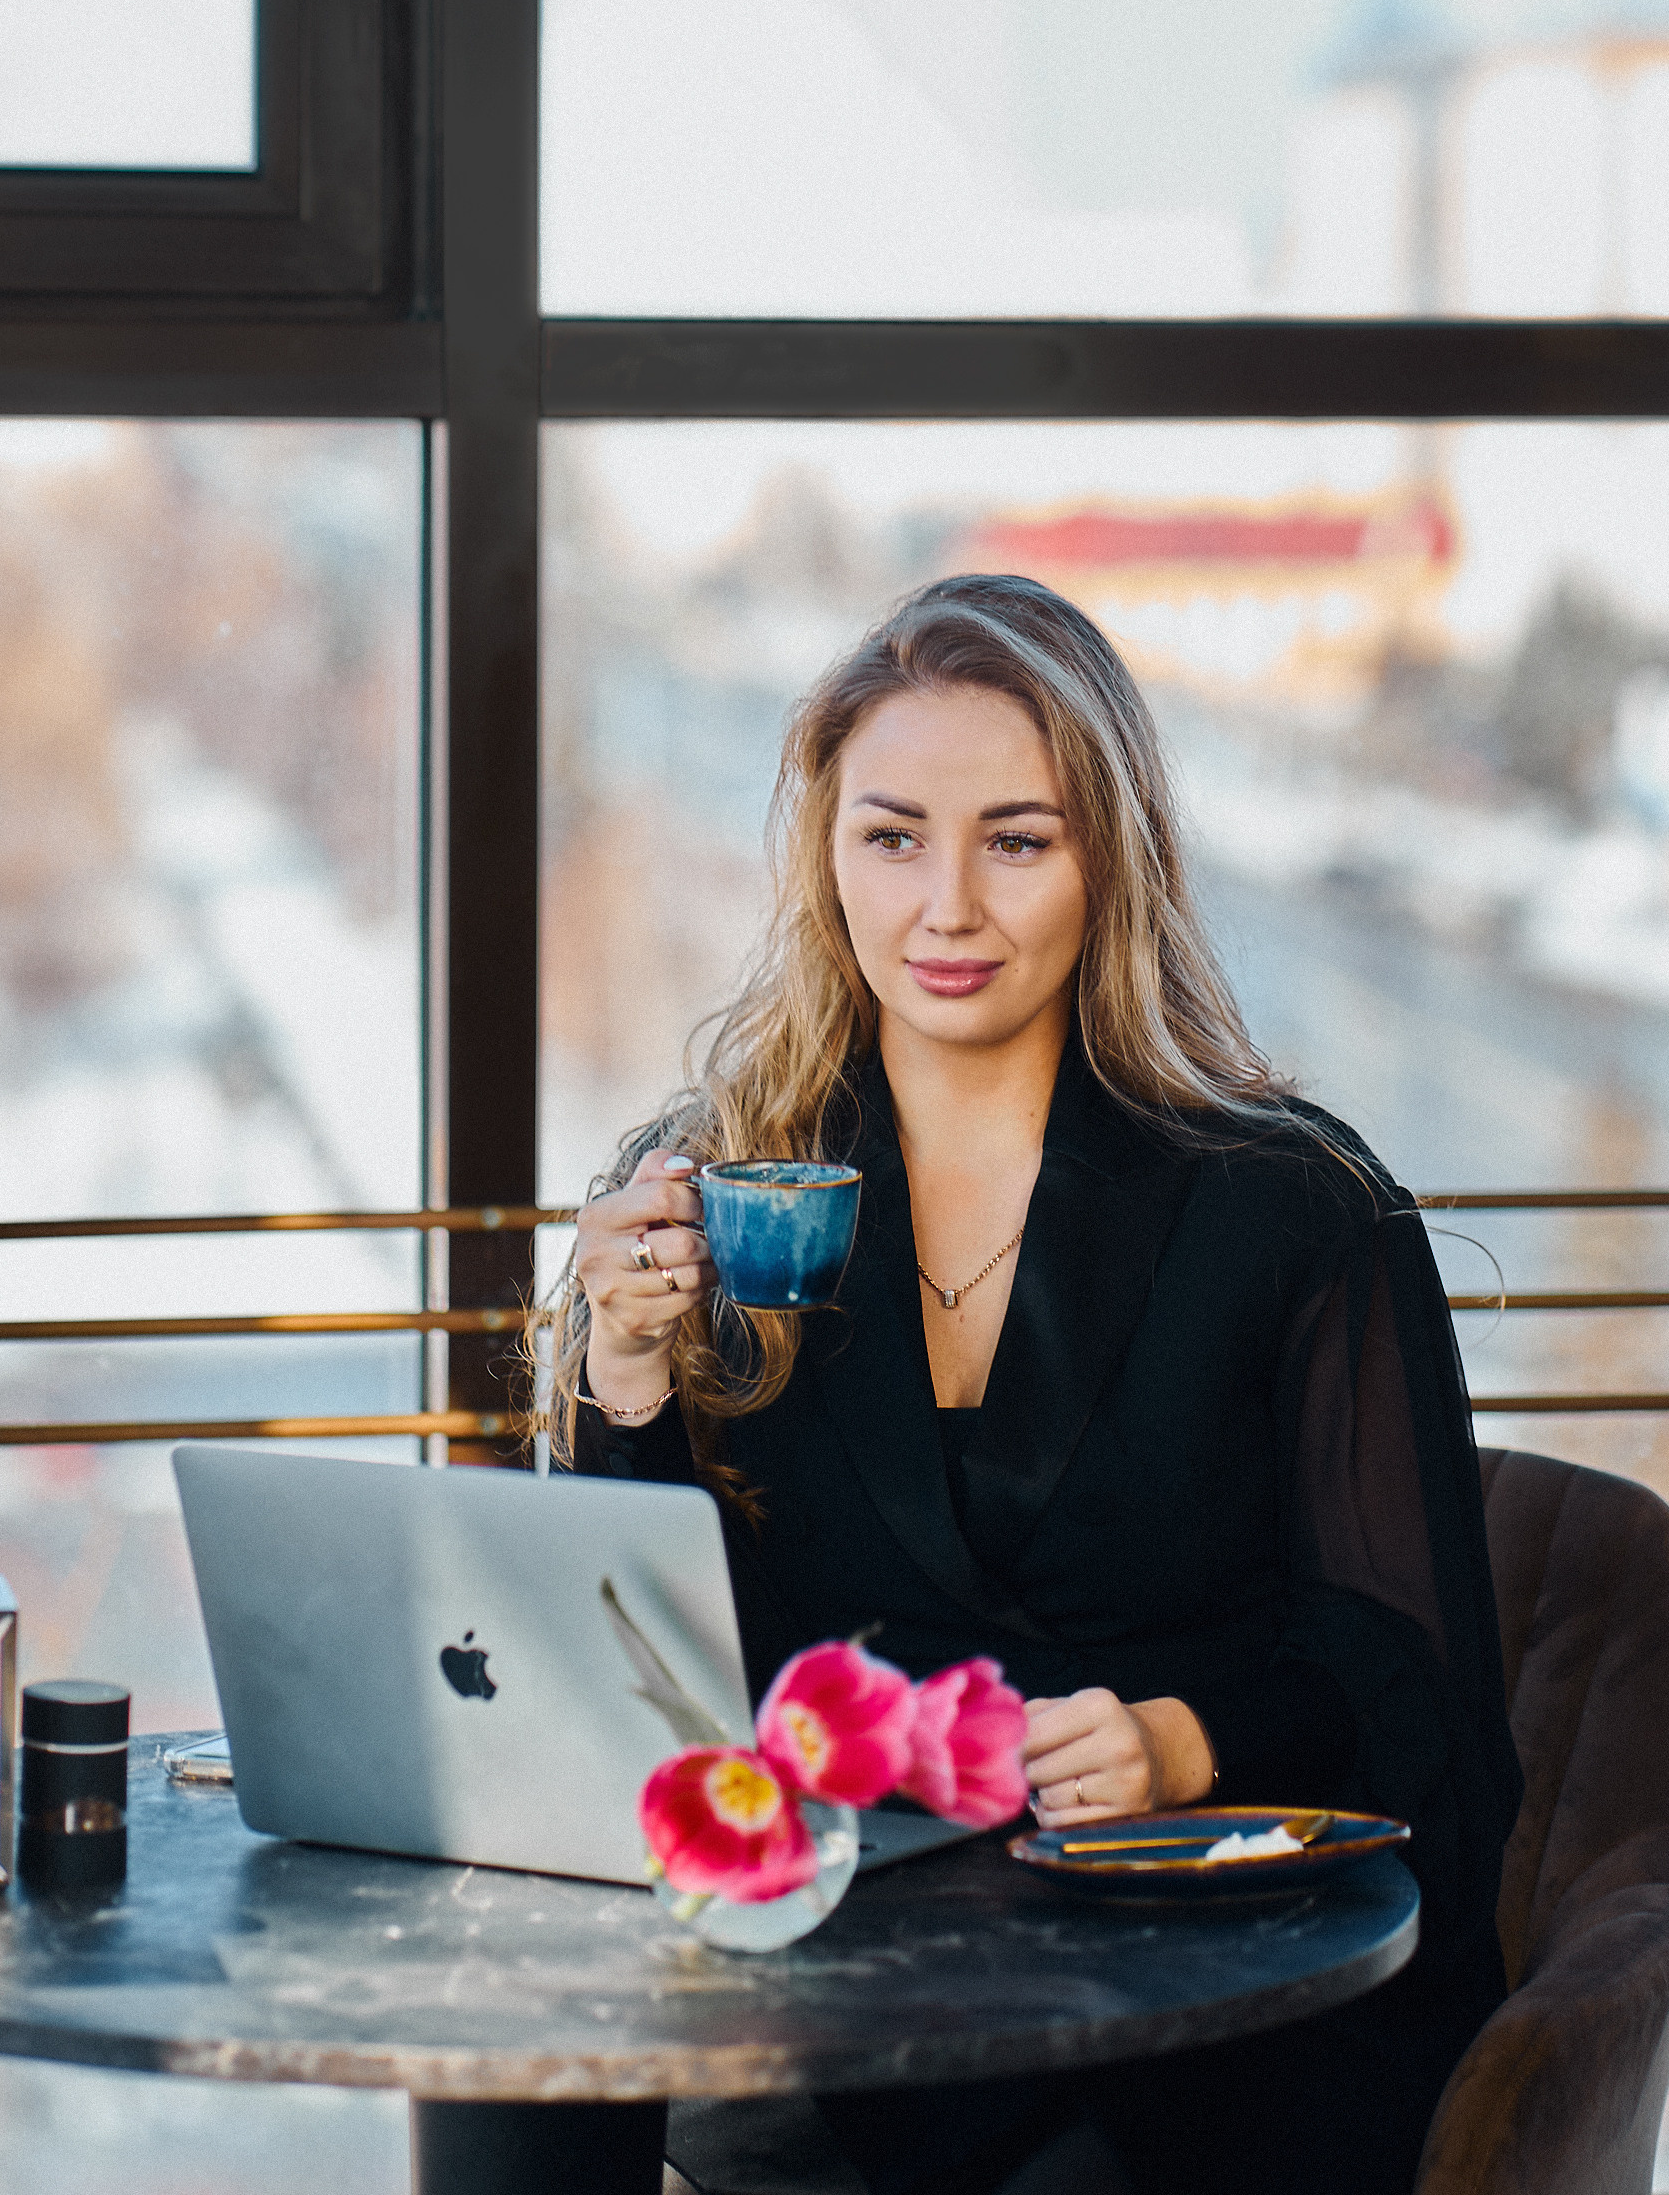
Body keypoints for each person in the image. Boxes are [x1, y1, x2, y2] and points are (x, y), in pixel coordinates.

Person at [537, 573, 1522, 2195]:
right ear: (824, 856)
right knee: (564, 2127)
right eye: (892, 835)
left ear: (1108, 864)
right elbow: (642, 1689)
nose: (948, 909)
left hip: (1204, 1996)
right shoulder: (724, 1186)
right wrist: (621, 1382)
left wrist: (1176, 1745)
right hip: (839, 1980)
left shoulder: (1294, 1209)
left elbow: (1421, 1693)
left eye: (1017, 839)